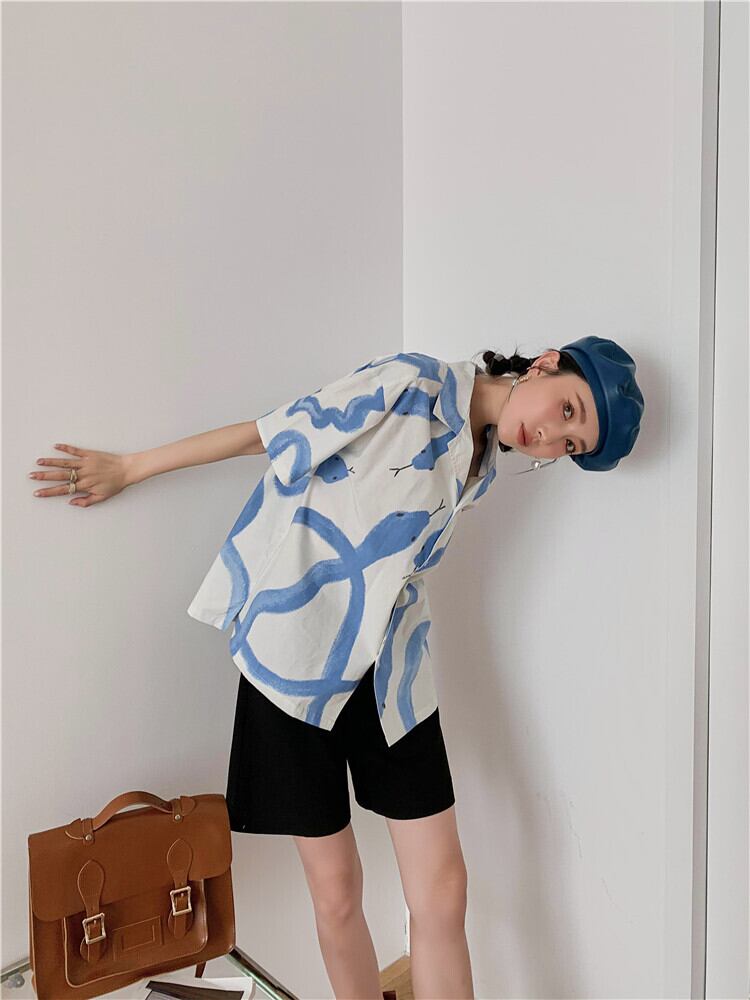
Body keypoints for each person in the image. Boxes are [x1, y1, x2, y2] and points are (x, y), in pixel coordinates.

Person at [28, 336, 644, 1000]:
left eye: (570, 444)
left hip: (392, 675)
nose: (551, 437)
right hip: (297, 660)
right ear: (546, 363)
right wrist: (131, 467)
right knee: (336, 891)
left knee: (442, 891)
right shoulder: (412, 383)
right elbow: (272, 434)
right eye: (569, 409)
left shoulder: (483, 463)